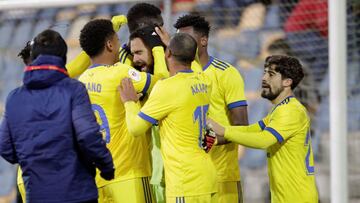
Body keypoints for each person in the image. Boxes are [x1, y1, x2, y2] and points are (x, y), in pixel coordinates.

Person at [0, 29, 114, 203]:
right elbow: (88, 135)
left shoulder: (14, 98)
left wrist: (31, 158)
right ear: (63, 58)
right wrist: (106, 167)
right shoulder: (73, 90)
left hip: (37, 195)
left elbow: (5, 147)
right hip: (78, 193)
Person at [119, 33, 217, 202]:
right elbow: (193, 62)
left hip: (184, 182)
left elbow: (135, 128)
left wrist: (129, 102)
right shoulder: (205, 80)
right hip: (208, 178)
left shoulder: (166, 88)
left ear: (168, 54)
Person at [209, 55, 319, 202]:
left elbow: (264, 140)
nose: (264, 78)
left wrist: (224, 131)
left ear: (287, 82)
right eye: (265, 72)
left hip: (296, 197)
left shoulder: (291, 111)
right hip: (284, 196)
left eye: (271, 74)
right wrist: (219, 134)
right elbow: (254, 129)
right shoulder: (279, 109)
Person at [78, 19, 163, 203]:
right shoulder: (120, 72)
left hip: (98, 180)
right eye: (117, 40)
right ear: (109, 44)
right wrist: (157, 47)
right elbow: (162, 82)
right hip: (129, 175)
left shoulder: (81, 80)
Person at [173, 14, 248, 202]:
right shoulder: (174, 78)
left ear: (204, 40)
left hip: (223, 177)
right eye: (178, 38)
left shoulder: (226, 73)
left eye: (187, 38)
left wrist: (206, 141)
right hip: (190, 179)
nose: (182, 43)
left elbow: (241, 126)